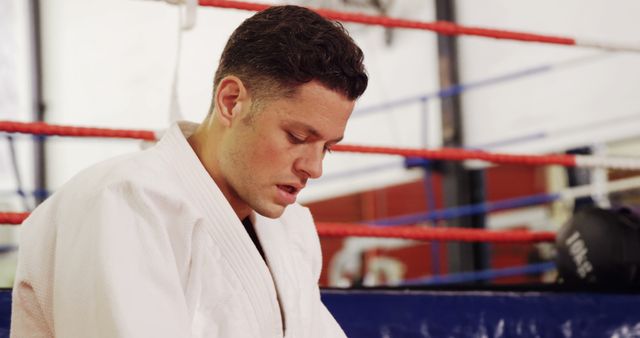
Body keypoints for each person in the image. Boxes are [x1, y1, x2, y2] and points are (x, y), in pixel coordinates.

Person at [11, 5, 368, 337]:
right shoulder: (123, 203)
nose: (315, 167)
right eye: (298, 136)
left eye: (328, 147)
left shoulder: (290, 231)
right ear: (232, 102)